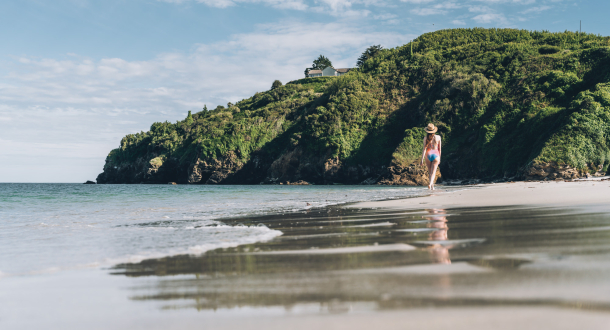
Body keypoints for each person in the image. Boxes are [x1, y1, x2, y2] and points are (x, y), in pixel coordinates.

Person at [420, 123, 442, 190]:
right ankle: (430, 184)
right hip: (436, 154)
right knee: (433, 172)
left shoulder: (425, 138)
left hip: (428, 154)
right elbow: (439, 149)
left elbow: (424, 149)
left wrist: (422, 160)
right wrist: (439, 158)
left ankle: (432, 187)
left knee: (430, 172)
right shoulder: (438, 137)